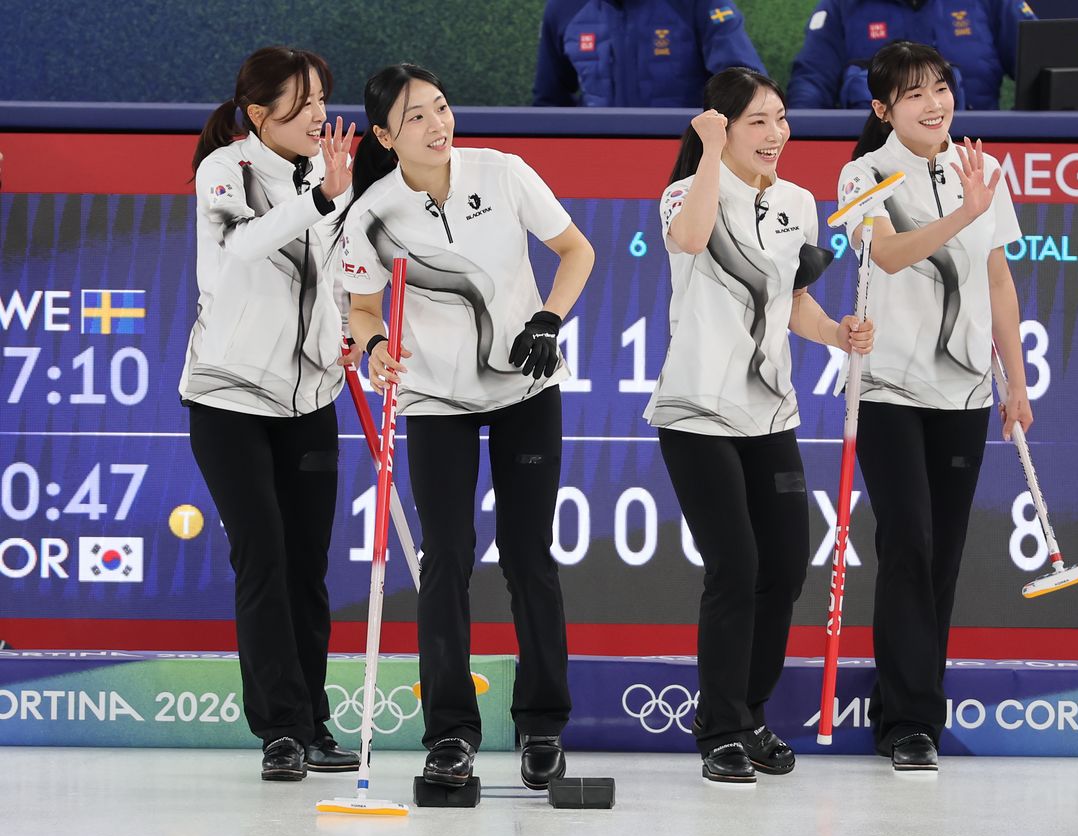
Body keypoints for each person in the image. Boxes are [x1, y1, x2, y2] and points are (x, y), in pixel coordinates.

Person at [340, 64, 595, 791]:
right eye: (416, 117)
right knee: (444, 561)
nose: (437, 124)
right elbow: (360, 312)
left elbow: (577, 250)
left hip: (524, 388)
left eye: (442, 107)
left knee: (528, 557)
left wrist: (549, 317)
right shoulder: (373, 214)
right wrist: (378, 347)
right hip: (436, 401)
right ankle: (449, 733)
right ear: (387, 136)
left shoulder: (504, 171)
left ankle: (542, 724)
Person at [649, 67, 874, 784]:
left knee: (781, 567)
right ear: (719, 126)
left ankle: (745, 714)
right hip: (696, 412)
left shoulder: (800, 204)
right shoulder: (685, 192)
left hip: (770, 412)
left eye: (780, 118)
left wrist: (838, 332)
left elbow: (792, 303)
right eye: (757, 121)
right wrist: (709, 153)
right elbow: (688, 240)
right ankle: (718, 728)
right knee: (734, 566)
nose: (776, 133)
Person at [834, 40, 1031, 770]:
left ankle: (908, 704)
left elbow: (998, 280)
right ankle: (909, 723)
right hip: (888, 388)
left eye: (940, 86)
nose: (934, 102)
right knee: (908, 541)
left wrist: (1014, 382)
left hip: (965, 393)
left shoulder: (980, 167)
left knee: (941, 554)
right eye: (913, 93)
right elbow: (885, 254)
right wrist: (963, 213)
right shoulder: (861, 173)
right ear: (883, 109)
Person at [181, 45, 360, 781]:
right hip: (227, 397)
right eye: (302, 101)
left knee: (308, 570)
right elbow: (238, 253)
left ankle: (313, 720)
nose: (320, 114)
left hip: (311, 398)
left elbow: (344, 273)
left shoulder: (333, 173)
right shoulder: (224, 169)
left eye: (322, 97)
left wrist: (348, 333)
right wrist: (318, 200)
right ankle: (279, 729)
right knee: (263, 557)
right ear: (260, 114)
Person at [787, 0, 1036, 110]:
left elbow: (1042, 71)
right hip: (876, 153)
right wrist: (801, 138)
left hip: (974, 150)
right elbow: (811, 83)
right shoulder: (842, 6)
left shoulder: (993, 3)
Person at [533, 0, 767, 107]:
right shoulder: (563, 7)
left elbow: (746, 87)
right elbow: (549, 100)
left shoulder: (701, 4)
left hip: (689, 156)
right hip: (598, 158)